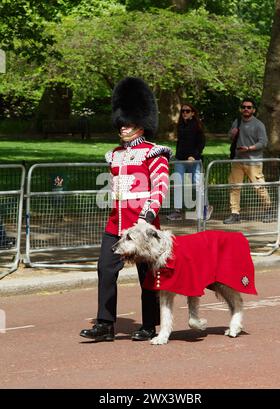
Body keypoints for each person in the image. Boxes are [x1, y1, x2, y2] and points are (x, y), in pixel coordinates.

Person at [80, 77, 171, 342]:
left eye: (128, 123)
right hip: (116, 226)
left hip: (141, 226)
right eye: (121, 123)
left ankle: (149, 325)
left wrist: (146, 219)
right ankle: (105, 324)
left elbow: (160, 188)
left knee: (147, 277)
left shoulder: (154, 153)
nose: (122, 128)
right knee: (105, 270)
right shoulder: (115, 154)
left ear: (141, 124)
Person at [223, 98, 272, 224]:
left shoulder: (258, 124)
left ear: (253, 110)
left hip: (253, 161)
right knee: (234, 187)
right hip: (238, 160)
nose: (246, 109)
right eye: (244, 107)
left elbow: (263, 142)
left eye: (249, 107)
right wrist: (232, 134)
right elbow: (230, 137)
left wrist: (249, 148)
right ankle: (235, 214)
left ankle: (268, 210)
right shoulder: (237, 121)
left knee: (259, 187)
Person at [167, 103, 212, 221]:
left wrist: (194, 156)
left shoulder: (197, 126)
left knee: (197, 183)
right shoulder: (181, 125)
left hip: (194, 160)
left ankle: (204, 208)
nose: (184, 113)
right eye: (183, 111)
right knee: (177, 183)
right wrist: (176, 156)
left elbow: (201, 143)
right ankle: (176, 211)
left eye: (187, 111)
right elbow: (181, 143)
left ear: (193, 113)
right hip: (180, 159)